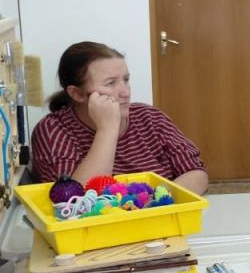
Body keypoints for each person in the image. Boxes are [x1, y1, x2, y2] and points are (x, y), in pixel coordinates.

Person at [31, 42, 209, 195]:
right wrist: (107, 130)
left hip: (160, 219)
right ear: (76, 93)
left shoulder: (150, 117)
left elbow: (196, 173)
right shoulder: (53, 129)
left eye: (126, 79)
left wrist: (153, 202)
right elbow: (72, 199)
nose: (125, 92)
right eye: (111, 83)